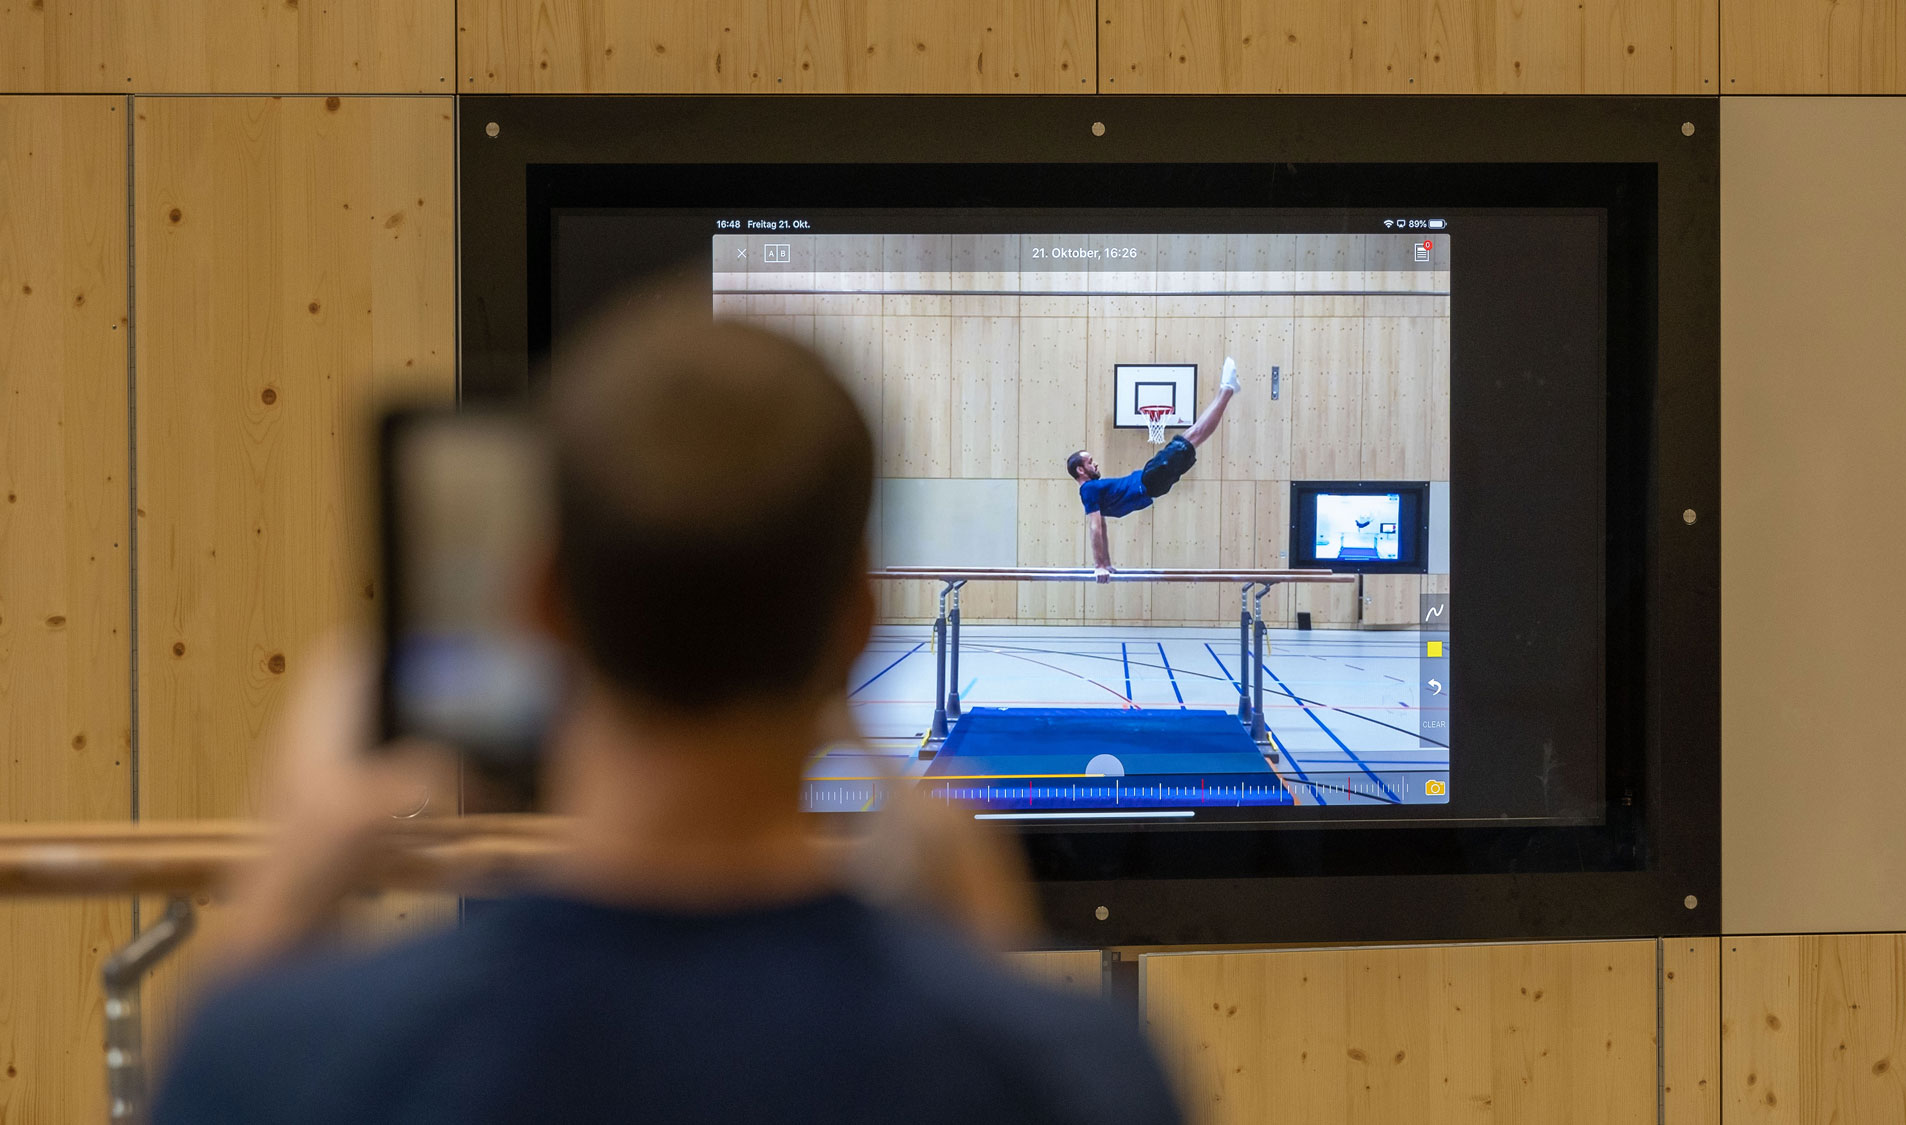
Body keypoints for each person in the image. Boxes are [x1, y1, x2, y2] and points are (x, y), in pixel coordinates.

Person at [150, 284, 1184, 1125]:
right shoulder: (1073, 1073)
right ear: (857, 619)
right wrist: (983, 958)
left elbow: (235, 1072)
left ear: (541, 605)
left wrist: (293, 881)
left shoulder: (291, 1065)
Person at [1067, 357, 1241, 582]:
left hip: (1150, 482)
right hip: (1149, 484)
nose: (1095, 464)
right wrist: (1101, 565)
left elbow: (1100, 527)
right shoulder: (1088, 489)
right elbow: (1096, 528)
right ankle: (1226, 390)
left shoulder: (1091, 492)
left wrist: (1105, 564)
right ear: (1081, 470)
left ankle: (1226, 390)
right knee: (1192, 438)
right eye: (1090, 462)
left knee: (1193, 438)